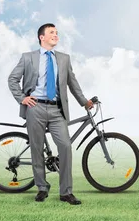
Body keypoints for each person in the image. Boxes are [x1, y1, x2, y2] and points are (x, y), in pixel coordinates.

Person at [8, 23, 93, 205]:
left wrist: (84, 102)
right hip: (35, 108)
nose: (56, 35)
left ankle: (66, 192)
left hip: (57, 110)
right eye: (52, 33)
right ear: (42, 37)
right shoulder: (28, 57)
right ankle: (41, 187)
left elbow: (73, 83)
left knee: (65, 147)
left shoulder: (64, 59)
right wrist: (22, 98)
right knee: (36, 149)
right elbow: (12, 79)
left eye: (57, 33)